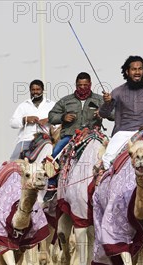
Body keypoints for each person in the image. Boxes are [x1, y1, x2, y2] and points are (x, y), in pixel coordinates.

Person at [43, 72, 112, 201]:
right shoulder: (65, 101)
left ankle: (110, 182)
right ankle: (52, 185)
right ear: (76, 85)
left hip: (94, 135)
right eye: (80, 85)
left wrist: (105, 110)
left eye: (85, 85)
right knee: (54, 155)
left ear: (90, 84)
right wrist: (63, 117)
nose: (83, 88)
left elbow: (114, 114)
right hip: (70, 136)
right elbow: (52, 116)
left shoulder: (99, 99)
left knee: (112, 153)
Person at [9, 79, 56, 160]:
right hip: (26, 139)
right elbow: (12, 123)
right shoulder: (23, 106)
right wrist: (25, 119)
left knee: (51, 160)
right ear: (30, 91)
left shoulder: (51, 105)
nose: (35, 92)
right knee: (13, 161)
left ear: (42, 90)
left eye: (38, 89)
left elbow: (60, 120)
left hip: (45, 139)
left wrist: (49, 119)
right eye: (33, 90)